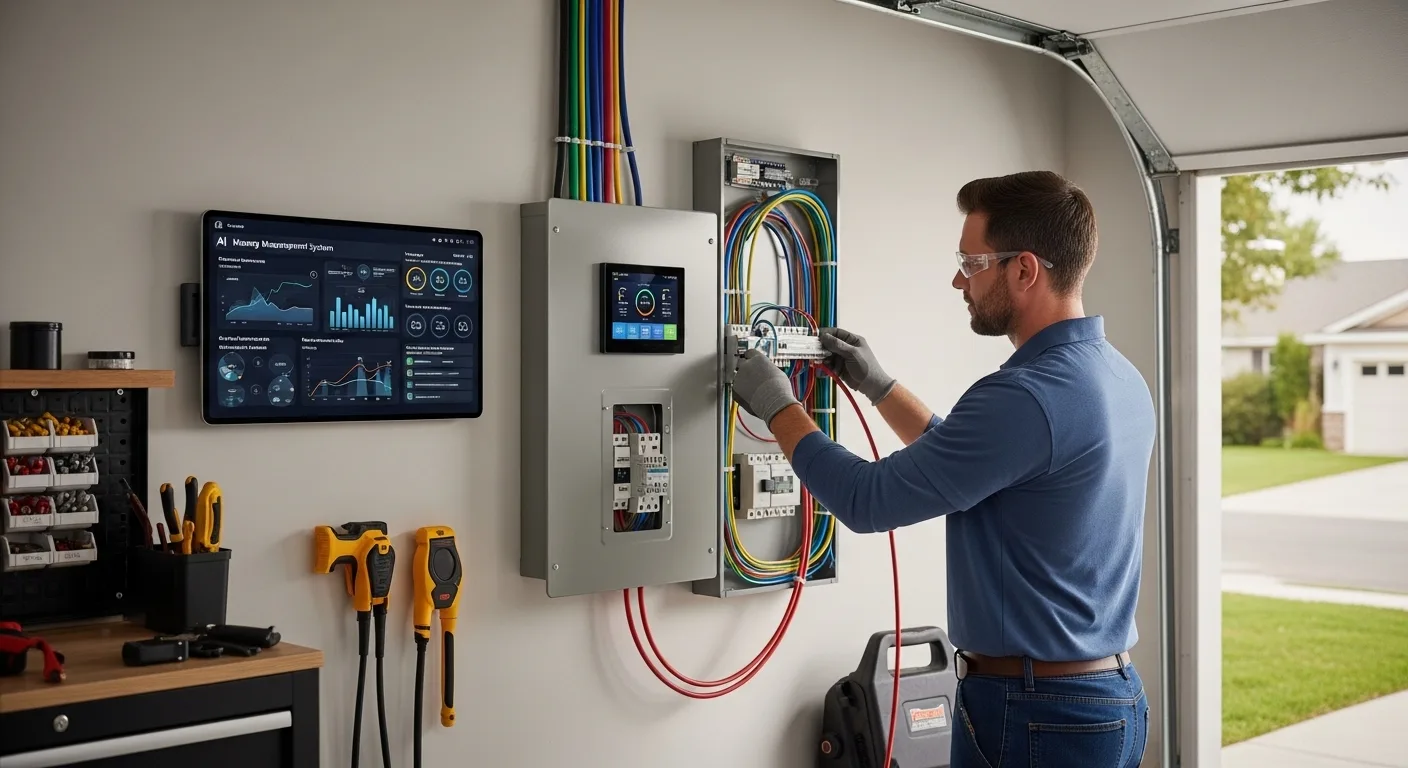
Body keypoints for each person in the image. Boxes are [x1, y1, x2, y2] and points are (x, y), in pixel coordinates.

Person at [730, 170, 1156, 768]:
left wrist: (777, 406)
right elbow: (971, 467)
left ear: (1024, 270)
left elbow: (866, 500)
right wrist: (879, 387)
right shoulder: (1117, 377)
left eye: (972, 262)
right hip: (1109, 700)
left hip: (1036, 713)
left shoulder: (1025, 396)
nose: (960, 279)